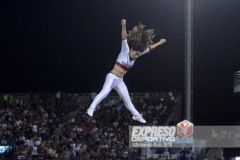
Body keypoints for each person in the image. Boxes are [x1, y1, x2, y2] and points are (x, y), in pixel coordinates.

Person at [87, 19, 166, 123]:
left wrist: (159, 42)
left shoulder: (136, 56)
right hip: (112, 76)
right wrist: (124, 25)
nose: (136, 55)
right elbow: (124, 37)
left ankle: (136, 115)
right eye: (135, 53)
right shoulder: (125, 51)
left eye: (138, 54)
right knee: (105, 92)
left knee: (127, 100)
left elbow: (149, 48)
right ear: (132, 49)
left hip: (120, 80)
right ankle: (91, 107)